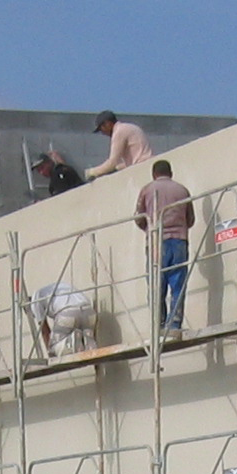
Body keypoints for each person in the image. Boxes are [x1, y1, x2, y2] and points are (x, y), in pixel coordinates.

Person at [135, 159, 193, 338]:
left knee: (156, 284)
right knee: (178, 283)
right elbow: (190, 219)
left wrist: (149, 227)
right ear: (171, 173)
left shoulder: (147, 189)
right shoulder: (182, 190)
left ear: (154, 174)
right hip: (179, 241)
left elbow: (138, 217)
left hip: (156, 241)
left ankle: (159, 323)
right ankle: (174, 323)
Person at [27, 282, 96, 358]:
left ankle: (73, 341)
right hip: (89, 312)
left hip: (68, 313)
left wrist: (51, 353)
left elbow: (45, 331)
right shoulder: (55, 289)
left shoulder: (35, 302)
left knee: (54, 345)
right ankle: (88, 342)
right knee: (84, 333)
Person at [85, 110, 155, 180]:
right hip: (147, 166)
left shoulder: (119, 132)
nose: (103, 133)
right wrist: (116, 168)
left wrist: (92, 172)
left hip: (141, 168)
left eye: (101, 128)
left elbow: (112, 162)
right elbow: (124, 163)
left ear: (108, 123)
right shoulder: (127, 127)